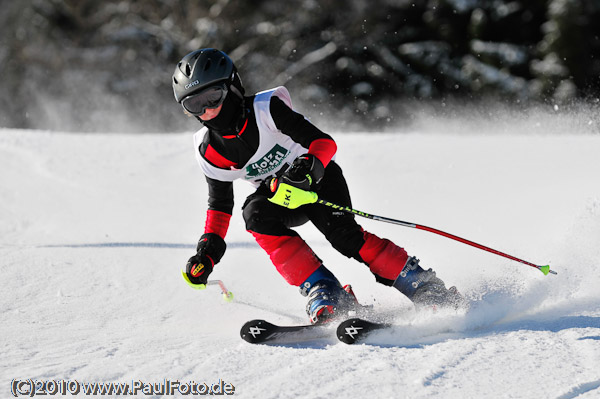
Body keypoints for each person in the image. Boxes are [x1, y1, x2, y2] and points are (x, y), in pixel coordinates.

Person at [174, 48, 463, 324]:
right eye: (194, 105)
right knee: (255, 213)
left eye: (213, 97)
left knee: (345, 238)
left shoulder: (265, 109)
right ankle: (325, 290)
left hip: (319, 181)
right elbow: (220, 206)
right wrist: (207, 252)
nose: (208, 111)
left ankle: (423, 285)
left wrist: (307, 171)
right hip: (282, 196)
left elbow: (324, 143)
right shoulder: (209, 149)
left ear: (233, 86)